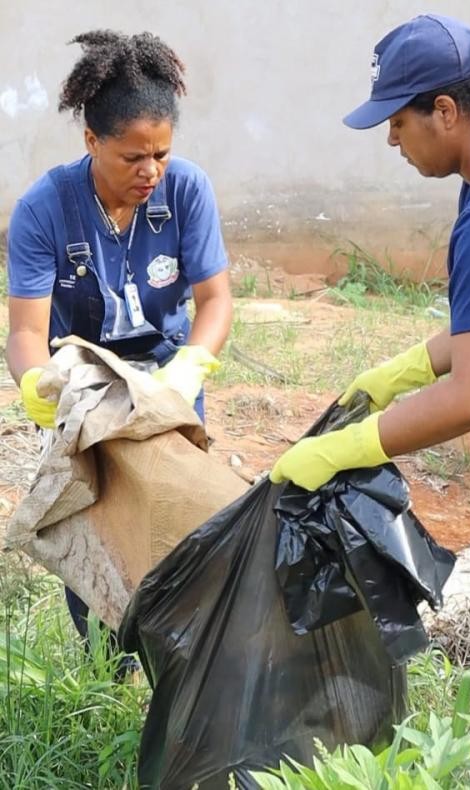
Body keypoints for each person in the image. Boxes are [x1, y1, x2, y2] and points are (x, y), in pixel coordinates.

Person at [271, 12, 470, 743]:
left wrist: (342, 447)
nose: (391, 139)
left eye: (397, 120)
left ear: (445, 112)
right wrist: (410, 364)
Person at [7, 30, 233, 664]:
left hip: (167, 380)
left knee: (181, 526)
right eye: (133, 156)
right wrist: (38, 387)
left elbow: (215, 302)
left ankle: (182, 668)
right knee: (98, 530)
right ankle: (107, 672)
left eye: (161, 153)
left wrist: (189, 370)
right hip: (86, 386)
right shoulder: (45, 209)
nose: (150, 171)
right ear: (91, 141)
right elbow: (25, 331)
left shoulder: (186, 190)